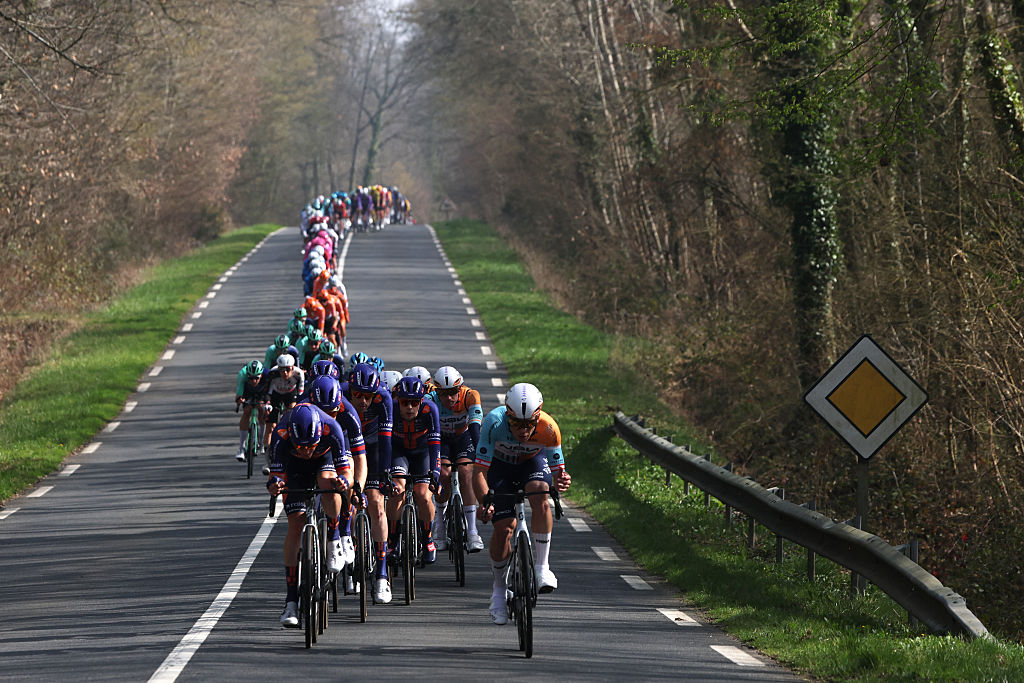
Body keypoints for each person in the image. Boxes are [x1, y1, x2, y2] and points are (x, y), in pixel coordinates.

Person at [473, 382, 571, 625]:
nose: (523, 430)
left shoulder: (549, 428)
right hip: (500, 468)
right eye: (517, 424)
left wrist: (562, 481)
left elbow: (559, 474)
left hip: (531, 463)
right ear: (508, 415)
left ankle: (542, 567)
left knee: (541, 495)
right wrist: (484, 500)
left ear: (538, 417)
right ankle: (498, 591)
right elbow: (479, 472)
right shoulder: (493, 423)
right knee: (504, 527)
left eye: (529, 424)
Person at [266, 404, 356, 627]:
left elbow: (346, 472)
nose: (306, 451)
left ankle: (333, 537)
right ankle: (291, 601)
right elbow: (275, 477)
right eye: (301, 446)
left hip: (324, 461)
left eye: (311, 446)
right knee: (296, 524)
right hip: (293, 468)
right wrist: (275, 485)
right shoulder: (281, 434)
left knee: (329, 483)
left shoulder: (331, 428)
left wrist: (343, 482)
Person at [344, 362, 395, 603]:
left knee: (376, 504)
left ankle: (382, 574)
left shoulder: (384, 399)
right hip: (347, 446)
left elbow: (386, 440)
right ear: (350, 390)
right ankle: (348, 553)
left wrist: (385, 473)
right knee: (348, 500)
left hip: (373, 448)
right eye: (358, 395)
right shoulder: (341, 393)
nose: (363, 401)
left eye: (368, 396)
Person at [426, 366, 485, 553]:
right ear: (437, 391)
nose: (449, 398)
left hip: (463, 438)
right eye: (443, 394)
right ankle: (440, 527)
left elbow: (475, 429)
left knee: (466, 471)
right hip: (441, 440)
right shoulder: (429, 399)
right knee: (444, 473)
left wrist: (480, 456)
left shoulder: (470, 396)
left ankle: (473, 532)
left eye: (453, 392)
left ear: (460, 388)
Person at [388, 376, 441, 565]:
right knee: (397, 491)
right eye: (405, 402)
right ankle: (393, 541)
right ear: (398, 400)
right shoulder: (391, 409)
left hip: (422, 453)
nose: (409, 407)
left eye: (414, 403)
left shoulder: (430, 409)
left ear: (421, 401)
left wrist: (435, 474)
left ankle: (427, 539)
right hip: (398, 452)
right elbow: (384, 442)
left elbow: (435, 444)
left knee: (424, 496)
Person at [234, 360, 269, 462]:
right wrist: (239, 400)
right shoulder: (242, 375)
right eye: (251, 378)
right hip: (247, 391)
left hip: (262, 392)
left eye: (256, 378)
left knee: (262, 409)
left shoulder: (267, 374)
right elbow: (239, 393)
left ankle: (262, 442)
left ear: (261, 375)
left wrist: (267, 403)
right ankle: (241, 448)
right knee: (247, 411)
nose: (253, 381)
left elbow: (270, 392)